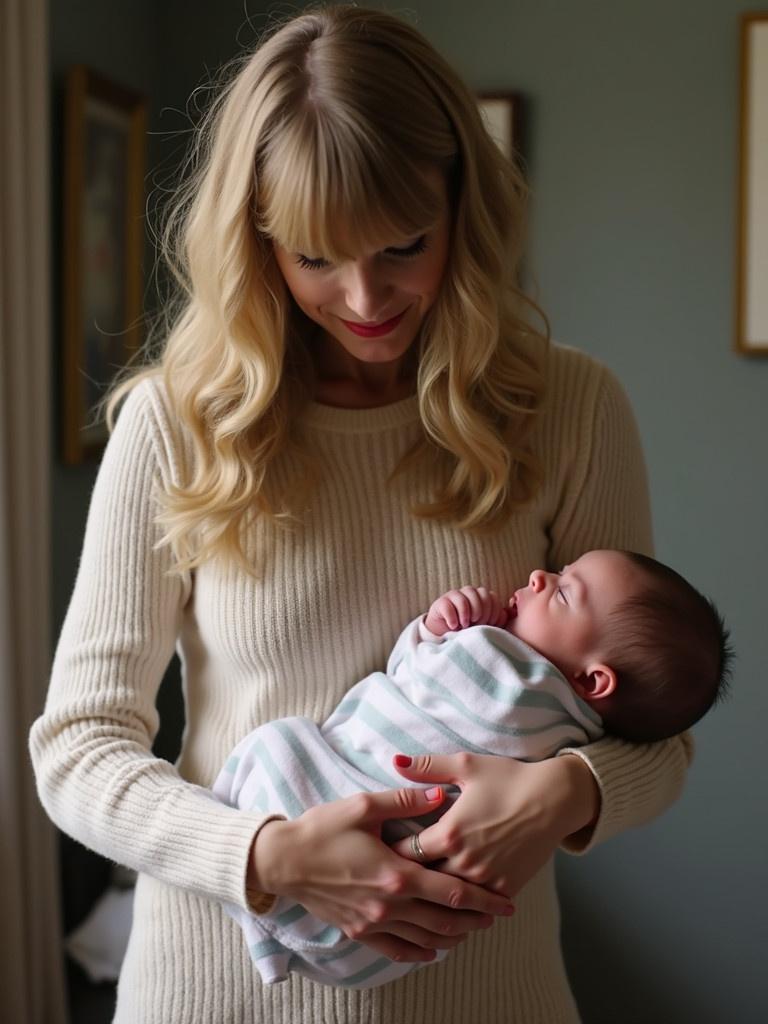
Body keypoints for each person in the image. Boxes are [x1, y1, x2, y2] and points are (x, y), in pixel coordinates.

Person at [29, 6, 695, 1022]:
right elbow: (77, 747)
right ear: (257, 244)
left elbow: (658, 727)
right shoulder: (177, 423)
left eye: (402, 246)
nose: (364, 295)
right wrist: (263, 854)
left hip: (490, 997)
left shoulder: (571, 408)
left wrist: (567, 792)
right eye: (314, 258)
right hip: (215, 992)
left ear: (462, 212)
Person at [213, 548, 731, 989]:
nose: (538, 576)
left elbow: (408, 673)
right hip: (377, 949)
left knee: (280, 741)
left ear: (594, 682)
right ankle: (263, 907)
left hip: (319, 805)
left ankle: (258, 907)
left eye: (563, 592)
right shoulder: (582, 733)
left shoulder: (495, 658)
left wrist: (440, 627)